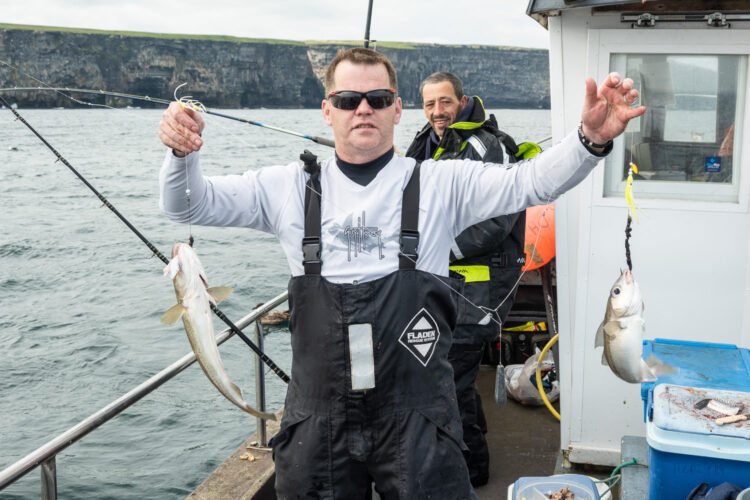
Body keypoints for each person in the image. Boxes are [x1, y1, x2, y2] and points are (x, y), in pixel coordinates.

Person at [157, 47, 644, 499]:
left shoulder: (439, 183)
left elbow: (531, 182)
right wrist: (181, 154)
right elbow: (187, 203)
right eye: (348, 99)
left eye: (377, 98)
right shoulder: (284, 188)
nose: (363, 108)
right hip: (317, 422)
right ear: (328, 110)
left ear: (397, 108)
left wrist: (591, 140)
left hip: (416, 417)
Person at [405, 71, 530, 487]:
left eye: (445, 102)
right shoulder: (427, 143)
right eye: (429, 105)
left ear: (462, 101)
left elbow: (497, 218)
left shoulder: (484, 146)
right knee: (448, 374)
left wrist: (441, 247)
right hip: (443, 283)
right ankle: (466, 455)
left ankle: (473, 472)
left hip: (479, 287)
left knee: (452, 378)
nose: (437, 112)